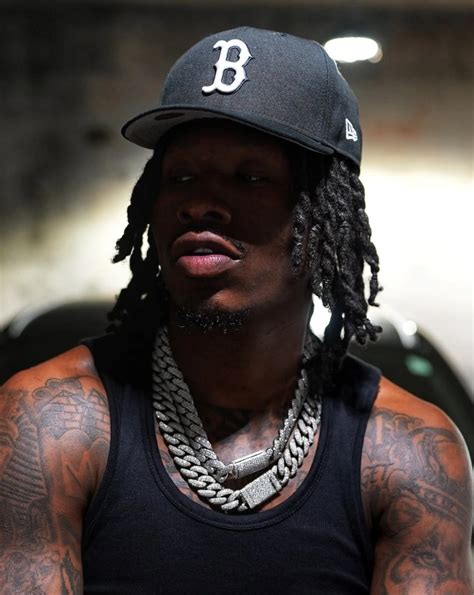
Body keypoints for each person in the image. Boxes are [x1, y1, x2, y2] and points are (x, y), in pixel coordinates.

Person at [0, 26, 471, 594]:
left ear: (325, 215)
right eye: (181, 177)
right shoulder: (50, 420)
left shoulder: (408, 453)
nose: (200, 203)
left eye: (249, 177)